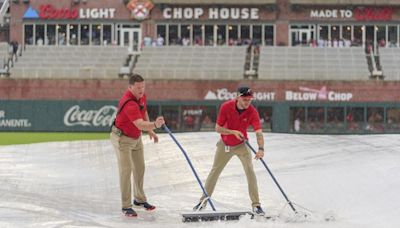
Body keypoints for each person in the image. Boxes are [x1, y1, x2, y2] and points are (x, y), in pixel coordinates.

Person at [193, 86, 266, 215]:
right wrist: (232, 132)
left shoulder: (252, 112)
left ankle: (256, 205)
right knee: (215, 171)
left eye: (250, 99)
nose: (247, 102)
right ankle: (202, 202)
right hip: (225, 144)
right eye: (245, 99)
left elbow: (259, 132)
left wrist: (261, 149)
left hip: (242, 145)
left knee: (250, 171)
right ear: (237, 97)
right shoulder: (226, 107)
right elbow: (217, 128)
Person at [110, 74, 165, 217]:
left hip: (136, 137)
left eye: (143, 87)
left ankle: (139, 200)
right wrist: (154, 124)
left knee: (140, 167)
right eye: (138, 87)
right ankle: (126, 206)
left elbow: (144, 111)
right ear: (130, 87)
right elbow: (139, 123)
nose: (141, 90)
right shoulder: (129, 103)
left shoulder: (141, 97)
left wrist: (150, 131)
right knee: (126, 170)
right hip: (122, 139)